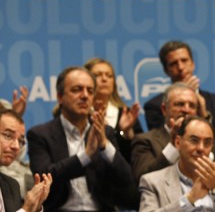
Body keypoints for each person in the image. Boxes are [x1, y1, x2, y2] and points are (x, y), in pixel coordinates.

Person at [27, 66, 135, 211]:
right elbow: (44, 177)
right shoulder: (40, 134)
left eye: (90, 91)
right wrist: (85, 156)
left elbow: (126, 179)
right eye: (77, 89)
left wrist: (104, 146)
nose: (85, 95)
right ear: (60, 97)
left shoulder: (104, 133)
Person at [144, 40, 215, 153]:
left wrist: (205, 115)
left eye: (184, 60)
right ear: (166, 70)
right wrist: (184, 91)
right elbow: (159, 143)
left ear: (192, 63)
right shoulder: (155, 105)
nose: (180, 67)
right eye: (173, 63)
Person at [131, 82, 215, 182]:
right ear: (164, 109)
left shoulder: (213, 138)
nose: (186, 110)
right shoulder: (145, 140)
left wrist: (205, 153)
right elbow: (141, 177)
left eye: (192, 105)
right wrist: (173, 148)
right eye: (180, 104)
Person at [139, 115, 215, 212]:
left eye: (207, 143)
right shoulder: (152, 182)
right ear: (178, 142)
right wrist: (189, 199)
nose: (201, 148)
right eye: (194, 140)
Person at [84, 57, 143, 161]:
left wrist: (125, 133)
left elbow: (139, 156)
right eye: (97, 75)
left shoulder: (127, 114)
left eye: (109, 76)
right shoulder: (80, 114)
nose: (104, 79)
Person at [0, 109, 53, 212]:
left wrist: (35, 207)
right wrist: (26, 209)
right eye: (8, 135)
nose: (16, 146)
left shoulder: (12, 186)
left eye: (20, 141)